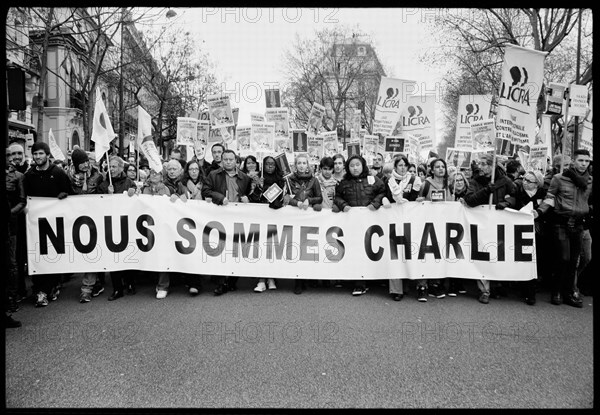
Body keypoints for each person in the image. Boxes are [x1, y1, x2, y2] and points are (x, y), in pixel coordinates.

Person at [536, 149, 592, 308]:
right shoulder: (558, 179)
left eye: (587, 161)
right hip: (561, 223)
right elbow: (550, 198)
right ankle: (556, 291)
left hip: (579, 224)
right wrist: (538, 211)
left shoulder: (590, 181)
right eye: (581, 160)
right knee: (563, 258)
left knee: (574, 260)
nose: (583, 164)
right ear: (573, 161)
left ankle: (569, 292)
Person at [23, 141, 73, 307]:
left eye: (41, 154)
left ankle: (47, 289)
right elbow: (25, 198)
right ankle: (40, 289)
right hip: (36, 226)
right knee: (38, 257)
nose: (38, 157)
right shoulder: (29, 176)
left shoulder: (58, 173)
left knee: (53, 256)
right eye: (35, 154)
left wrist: (64, 195)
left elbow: (70, 194)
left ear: (47, 155)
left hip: (56, 224)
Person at [463, 153, 516, 304]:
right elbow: (470, 200)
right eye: (480, 164)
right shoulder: (475, 181)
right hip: (481, 223)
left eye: (484, 164)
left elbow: (514, 196)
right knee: (482, 255)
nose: (480, 167)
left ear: (492, 166)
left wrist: (507, 204)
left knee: (497, 254)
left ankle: (498, 285)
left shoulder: (505, 181)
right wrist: (486, 191)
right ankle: (484, 290)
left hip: (499, 223)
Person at [202, 149, 252, 295]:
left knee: (235, 249)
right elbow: (206, 190)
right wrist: (219, 197)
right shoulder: (213, 175)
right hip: (220, 218)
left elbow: (250, 195)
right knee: (221, 248)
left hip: (238, 219)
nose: (228, 162)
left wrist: (248, 198)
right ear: (222, 161)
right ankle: (220, 282)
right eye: (226, 160)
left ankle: (231, 281)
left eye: (231, 159)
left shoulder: (244, 178)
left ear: (236, 161)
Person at [333, 155, 385, 296]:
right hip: (352, 223)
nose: (355, 168)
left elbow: (383, 191)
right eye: (352, 165)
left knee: (369, 249)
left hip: (370, 223)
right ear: (347, 168)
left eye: (357, 165)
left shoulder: (373, 179)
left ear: (362, 165)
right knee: (355, 250)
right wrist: (343, 205)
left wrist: (375, 203)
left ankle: (371, 279)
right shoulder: (344, 183)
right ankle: (359, 283)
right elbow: (337, 197)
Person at [66, 148, 106, 303]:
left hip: (93, 218)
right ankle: (95, 283)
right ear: (75, 164)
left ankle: (87, 289)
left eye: (86, 162)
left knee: (92, 251)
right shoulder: (67, 176)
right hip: (75, 219)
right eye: (81, 163)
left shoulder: (98, 175)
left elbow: (103, 192)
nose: (84, 165)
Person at [381, 155, 422, 301]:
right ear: (395, 167)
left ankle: (407, 286)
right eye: (400, 165)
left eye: (405, 165)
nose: (403, 167)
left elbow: (416, 196)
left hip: (410, 221)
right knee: (395, 255)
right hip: (393, 220)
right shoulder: (389, 181)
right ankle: (396, 289)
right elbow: (383, 195)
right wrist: (384, 199)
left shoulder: (414, 180)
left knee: (409, 253)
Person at [98, 156, 138, 301]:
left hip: (126, 224)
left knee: (127, 255)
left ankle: (130, 283)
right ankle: (117, 289)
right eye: (110, 167)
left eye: (114, 167)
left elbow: (137, 201)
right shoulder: (103, 185)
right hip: (110, 225)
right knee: (113, 257)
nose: (112, 169)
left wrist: (134, 193)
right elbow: (95, 204)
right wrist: (108, 196)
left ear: (121, 168)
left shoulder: (129, 182)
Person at [413, 158, 453, 301]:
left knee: (438, 256)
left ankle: (435, 284)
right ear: (432, 169)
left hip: (442, 226)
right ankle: (422, 286)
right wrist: (420, 202)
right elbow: (418, 203)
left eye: (443, 166)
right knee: (424, 256)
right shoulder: (426, 184)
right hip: (426, 227)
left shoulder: (449, 185)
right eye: (437, 167)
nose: (441, 169)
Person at [285, 153, 323, 294]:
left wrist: (309, 201)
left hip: (309, 219)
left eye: (304, 163)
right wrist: (297, 203)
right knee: (296, 249)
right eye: (299, 163)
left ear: (308, 165)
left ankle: (307, 277)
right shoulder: (289, 180)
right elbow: (286, 197)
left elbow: (319, 198)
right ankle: (298, 282)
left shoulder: (314, 180)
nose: (302, 166)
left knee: (307, 249)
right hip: (294, 219)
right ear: (295, 165)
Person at [507, 169, 546, 305]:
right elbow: (512, 202)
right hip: (520, 232)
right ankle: (523, 287)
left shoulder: (543, 195)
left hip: (538, 232)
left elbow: (548, 210)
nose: (524, 182)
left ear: (537, 183)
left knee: (535, 261)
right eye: (524, 179)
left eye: (529, 181)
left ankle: (531, 291)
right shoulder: (518, 193)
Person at [249, 155, 285, 292]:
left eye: (273, 164)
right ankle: (261, 280)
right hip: (261, 218)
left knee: (272, 249)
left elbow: (284, 198)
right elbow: (253, 198)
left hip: (276, 218)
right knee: (260, 248)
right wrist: (259, 186)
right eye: (267, 164)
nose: (270, 166)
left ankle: (272, 278)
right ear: (263, 166)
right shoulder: (257, 179)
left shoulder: (282, 180)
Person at [139, 169, 172, 298]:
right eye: (152, 173)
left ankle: (163, 286)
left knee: (162, 255)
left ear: (161, 176)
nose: (154, 175)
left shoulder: (166, 189)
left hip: (162, 226)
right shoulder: (143, 189)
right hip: (146, 226)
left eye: (157, 173)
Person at [6, 149, 26, 312]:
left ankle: (12, 298)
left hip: (10, 226)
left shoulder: (18, 176)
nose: (10, 158)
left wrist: (9, 213)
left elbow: (22, 200)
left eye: (9, 155)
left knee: (11, 263)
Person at [447, 171, 469, 296]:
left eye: (461, 180)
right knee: (453, 255)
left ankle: (460, 281)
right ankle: (452, 284)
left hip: (465, 227)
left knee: (463, 254)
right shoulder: (449, 193)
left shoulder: (469, 192)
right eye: (456, 181)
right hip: (452, 227)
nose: (459, 182)